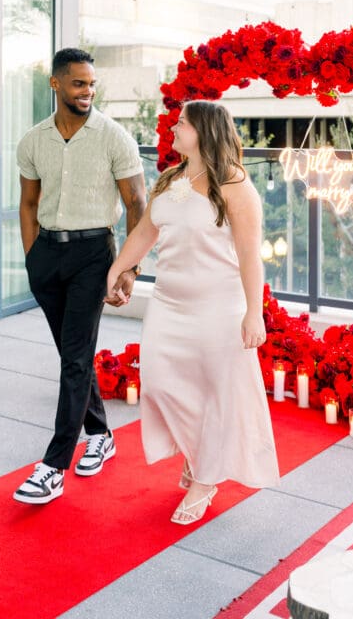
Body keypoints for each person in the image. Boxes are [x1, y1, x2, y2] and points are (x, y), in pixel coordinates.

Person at [106, 99, 279, 524]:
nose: (173, 128)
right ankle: (198, 453)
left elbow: (249, 255)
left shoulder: (235, 185)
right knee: (160, 385)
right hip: (168, 303)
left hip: (217, 306)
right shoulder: (170, 178)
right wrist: (116, 268)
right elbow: (146, 232)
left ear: (204, 131)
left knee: (216, 393)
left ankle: (205, 478)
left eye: (181, 123)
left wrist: (253, 313)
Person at [13, 48, 146, 504]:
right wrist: (33, 259)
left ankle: (53, 467)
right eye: (78, 83)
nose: (87, 91)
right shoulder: (33, 141)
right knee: (75, 354)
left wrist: (128, 267)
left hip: (94, 255)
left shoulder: (114, 137)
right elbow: (28, 204)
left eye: (91, 84)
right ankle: (101, 435)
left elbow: (137, 204)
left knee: (73, 358)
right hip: (47, 255)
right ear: (56, 84)